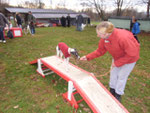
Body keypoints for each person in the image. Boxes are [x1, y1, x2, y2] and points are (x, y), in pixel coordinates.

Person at [80, 21, 140, 102]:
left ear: (107, 33)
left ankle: (118, 94)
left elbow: (132, 54)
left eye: (99, 34)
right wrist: (87, 57)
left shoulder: (123, 37)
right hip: (117, 57)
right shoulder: (104, 39)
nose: (98, 36)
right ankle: (112, 90)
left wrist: (117, 63)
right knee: (113, 74)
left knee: (121, 76)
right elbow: (100, 51)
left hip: (130, 59)